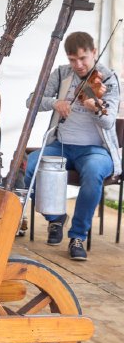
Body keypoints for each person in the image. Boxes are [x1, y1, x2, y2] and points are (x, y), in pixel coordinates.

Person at [25, 31, 120, 261]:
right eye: (72, 59)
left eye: (83, 58)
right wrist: (55, 103)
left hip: (95, 150)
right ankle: (55, 218)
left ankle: (77, 236)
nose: (78, 65)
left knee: (94, 173)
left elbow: (108, 121)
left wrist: (96, 109)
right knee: (31, 166)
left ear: (94, 52)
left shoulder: (108, 79)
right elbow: (31, 100)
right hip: (61, 145)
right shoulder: (61, 74)